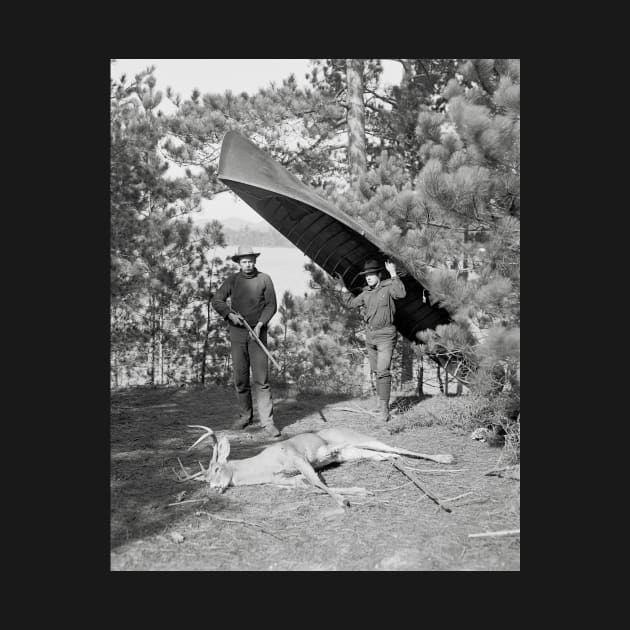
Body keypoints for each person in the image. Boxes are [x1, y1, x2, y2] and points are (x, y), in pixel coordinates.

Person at [211, 245, 281, 437]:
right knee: (241, 379)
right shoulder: (232, 280)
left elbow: (271, 305)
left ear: (255, 261)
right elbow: (217, 300)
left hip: (258, 335)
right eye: (244, 261)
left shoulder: (264, 279)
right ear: (239, 263)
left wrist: (259, 325)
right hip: (237, 335)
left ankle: (267, 423)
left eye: (250, 260)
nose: (248, 264)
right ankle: (245, 417)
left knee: (262, 380)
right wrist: (229, 316)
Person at [335, 258, 406, 422]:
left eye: (372, 274)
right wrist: (342, 287)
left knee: (383, 371)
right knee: (376, 371)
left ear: (379, 275)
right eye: (367, 275)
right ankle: (381, 404)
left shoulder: (388, 288)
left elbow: (401, 293)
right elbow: (351, 303)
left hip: (386, 335)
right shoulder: (366, 293)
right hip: (371, 337)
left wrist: (394, 273)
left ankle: (384, 411)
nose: (368, 277)